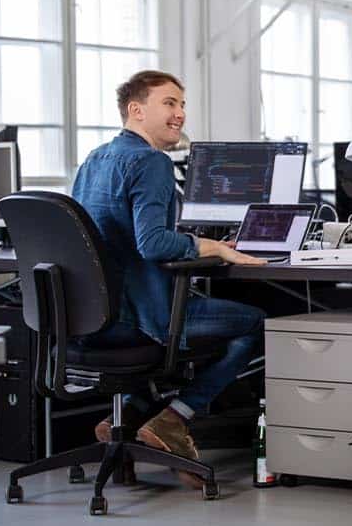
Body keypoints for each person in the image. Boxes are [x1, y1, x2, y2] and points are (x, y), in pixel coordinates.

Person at [71, 70, 267, 487]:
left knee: (209, 328)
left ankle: (126, 420)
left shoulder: (93, 159)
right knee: (256, 323)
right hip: (141, 317)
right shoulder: (151, 162)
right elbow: (154, 244)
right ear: (136, 110)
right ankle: (175, 418)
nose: (180, 114)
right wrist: (214, 247)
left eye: (182, 104)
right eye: (169, 103)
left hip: (91, 320)